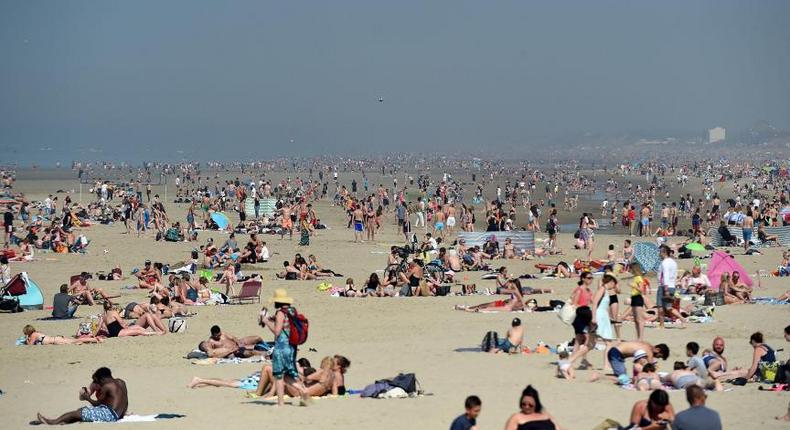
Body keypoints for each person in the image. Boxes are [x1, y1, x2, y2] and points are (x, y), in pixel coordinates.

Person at [258, 289, 309, 406]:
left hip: (281, 348)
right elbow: (287, 325)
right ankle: (303, 390)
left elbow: (277, 332)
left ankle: (281, 402)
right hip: (292, 347)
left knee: (279, 375)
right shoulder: (292, 311)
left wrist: (265, 320)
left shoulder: (281, 313)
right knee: (291, 374)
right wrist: (273, 319)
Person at [34, 367, 128, 424]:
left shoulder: (107, 386)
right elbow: (126, 402)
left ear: (102, 378)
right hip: (117, 414)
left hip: (109, 415)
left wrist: (87, 398)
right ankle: (63, 421)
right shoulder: (121, 382)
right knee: (81, 412)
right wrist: (121, 415)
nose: (97, 383)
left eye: (97, 380)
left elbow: (97, 404)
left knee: (76, 413)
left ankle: (52, 422)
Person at [657, 245, 677, 329]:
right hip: (672, 286)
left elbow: (665, 275)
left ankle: (661, 324)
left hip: (664, 286)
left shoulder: (665, 262)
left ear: (664, 252)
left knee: (660, 306)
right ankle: (682, 319)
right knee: (669, 307)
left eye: (660, 252)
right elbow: (675, 275)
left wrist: (665, 288)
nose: (659, 254)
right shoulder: (673, 262)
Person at [23, 325, 101, 345]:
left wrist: (26, 339)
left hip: (56, 341)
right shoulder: (37, 333)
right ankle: (93, 340)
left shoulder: (33, 335)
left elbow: (30, 344)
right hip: (56, 339)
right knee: (76, 341)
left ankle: (94, 339)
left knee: (76, 340)